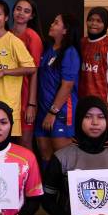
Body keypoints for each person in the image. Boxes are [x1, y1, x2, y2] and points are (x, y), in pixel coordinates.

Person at [0, 0, 36, 140]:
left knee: (8, 149)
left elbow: (31, 68)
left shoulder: (14, 41)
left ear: (6, 17)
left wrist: (4, 72)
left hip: (8, 107)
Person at [36, 13, 81, 164]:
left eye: (56, 23)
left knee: (63, 160)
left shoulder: (70, 52)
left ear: (65, 30)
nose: (51, 25)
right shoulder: (48, 49)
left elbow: (67, 85)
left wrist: (53, 112)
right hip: (43, 111)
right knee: (45, 157)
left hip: (60, 113)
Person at [79, 6, 108, 129]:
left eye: (99, 21)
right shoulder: (81, 43)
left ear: (105, 24)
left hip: (101, 104)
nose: (94, 23)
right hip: (81, 102)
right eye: (91, 20)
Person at [11, 0, 44, 149]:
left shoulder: (33, 37)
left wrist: (31, 104)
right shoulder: (7, 34)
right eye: (18, 9)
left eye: (26, 11)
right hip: (9, 95)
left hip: (25, 97)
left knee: (24, 143)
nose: (21, 13)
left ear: (31, 16)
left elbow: (34, 72)